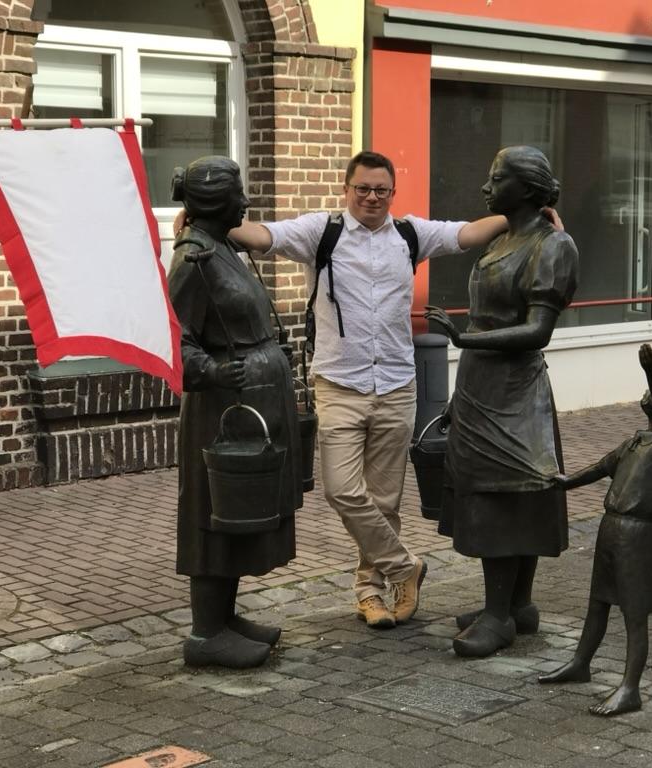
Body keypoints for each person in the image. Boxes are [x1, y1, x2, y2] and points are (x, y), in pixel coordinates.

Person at [176, 150, 509, 628]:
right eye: (363, 188)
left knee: (384, 499)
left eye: (381, 190)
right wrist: (203, 222)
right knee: (343, 490)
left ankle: (374, 593)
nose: (371, 197)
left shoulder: (410, 234)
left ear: (392, 193)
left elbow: (467, 233)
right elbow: (263, 236)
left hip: (396, 383)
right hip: (340, 384)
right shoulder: (321, 232)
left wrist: (521, 214)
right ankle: (405, 568)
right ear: (347, 188)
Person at [425, 146, 578, 658]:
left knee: (509, 494)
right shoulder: (504, 238)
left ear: (528, 187)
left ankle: (499, 617)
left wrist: (466, 341)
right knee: (501, 494)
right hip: (481, 385)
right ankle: (517, 605)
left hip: (514, 391)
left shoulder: (552, 246)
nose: (486, 188)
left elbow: (538, 331)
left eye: (497, 179)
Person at [168, 156, 302, 668]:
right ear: (212, 201)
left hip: (251, 400)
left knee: (241, 506)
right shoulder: (194, 259)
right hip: (221, 407)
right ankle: (205, 633)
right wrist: (212, 372)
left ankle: (224, 617)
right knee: (212, 508)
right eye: (237, 195)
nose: (245, 203)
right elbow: (176, 340)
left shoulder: (223, 247)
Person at [538, 345, 652, 716]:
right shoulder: (637, 440)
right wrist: (565, 483)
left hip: (637, 534)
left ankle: (630, 687)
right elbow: (602, 467)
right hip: (611, 527)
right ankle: (580, 663)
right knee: (598, 602)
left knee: (634, 614)